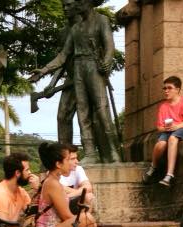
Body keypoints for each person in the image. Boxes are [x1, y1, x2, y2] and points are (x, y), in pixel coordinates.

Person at [31, 0, 121, 164]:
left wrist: (107, 60)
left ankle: (114, 152)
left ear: (89, 3)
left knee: (102, 110)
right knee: (82, 112)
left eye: (80, 2)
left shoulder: (101, 20)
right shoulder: (75, 29)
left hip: (93, 66)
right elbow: (63, 56)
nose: (77, 5)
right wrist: (43, 71)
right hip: (79, 68)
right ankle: (90, 153)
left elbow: (109, 46)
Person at [35, 141, 105, 227]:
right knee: (87, 218)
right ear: (58, 164)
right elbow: (67, 217)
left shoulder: (53, 181)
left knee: (90, 225)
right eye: (68, 159)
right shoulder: (52, 184)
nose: (73, 163)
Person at [144, 76, 183, 188]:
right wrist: (166, 129)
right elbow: (159, 127)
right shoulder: (163, 106)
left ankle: (169, 175)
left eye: (169, 88)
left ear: (177, 89)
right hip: (168, 130)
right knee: (160, 145)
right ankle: (153, 166)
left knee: (173, 138)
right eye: (164, 88)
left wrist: (176, 127)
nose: (166, 91)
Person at [60, 146, 93, 212]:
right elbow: (60, 190)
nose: (77, 161)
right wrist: (80, 192)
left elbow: (88, 187)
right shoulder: (54, 173)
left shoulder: (78, 169)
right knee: (86, 195)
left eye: (76, 158)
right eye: (73, 159)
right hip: (60, 205)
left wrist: (69, 194)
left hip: (73, 200)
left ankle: (85, 219)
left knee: (89, 196)